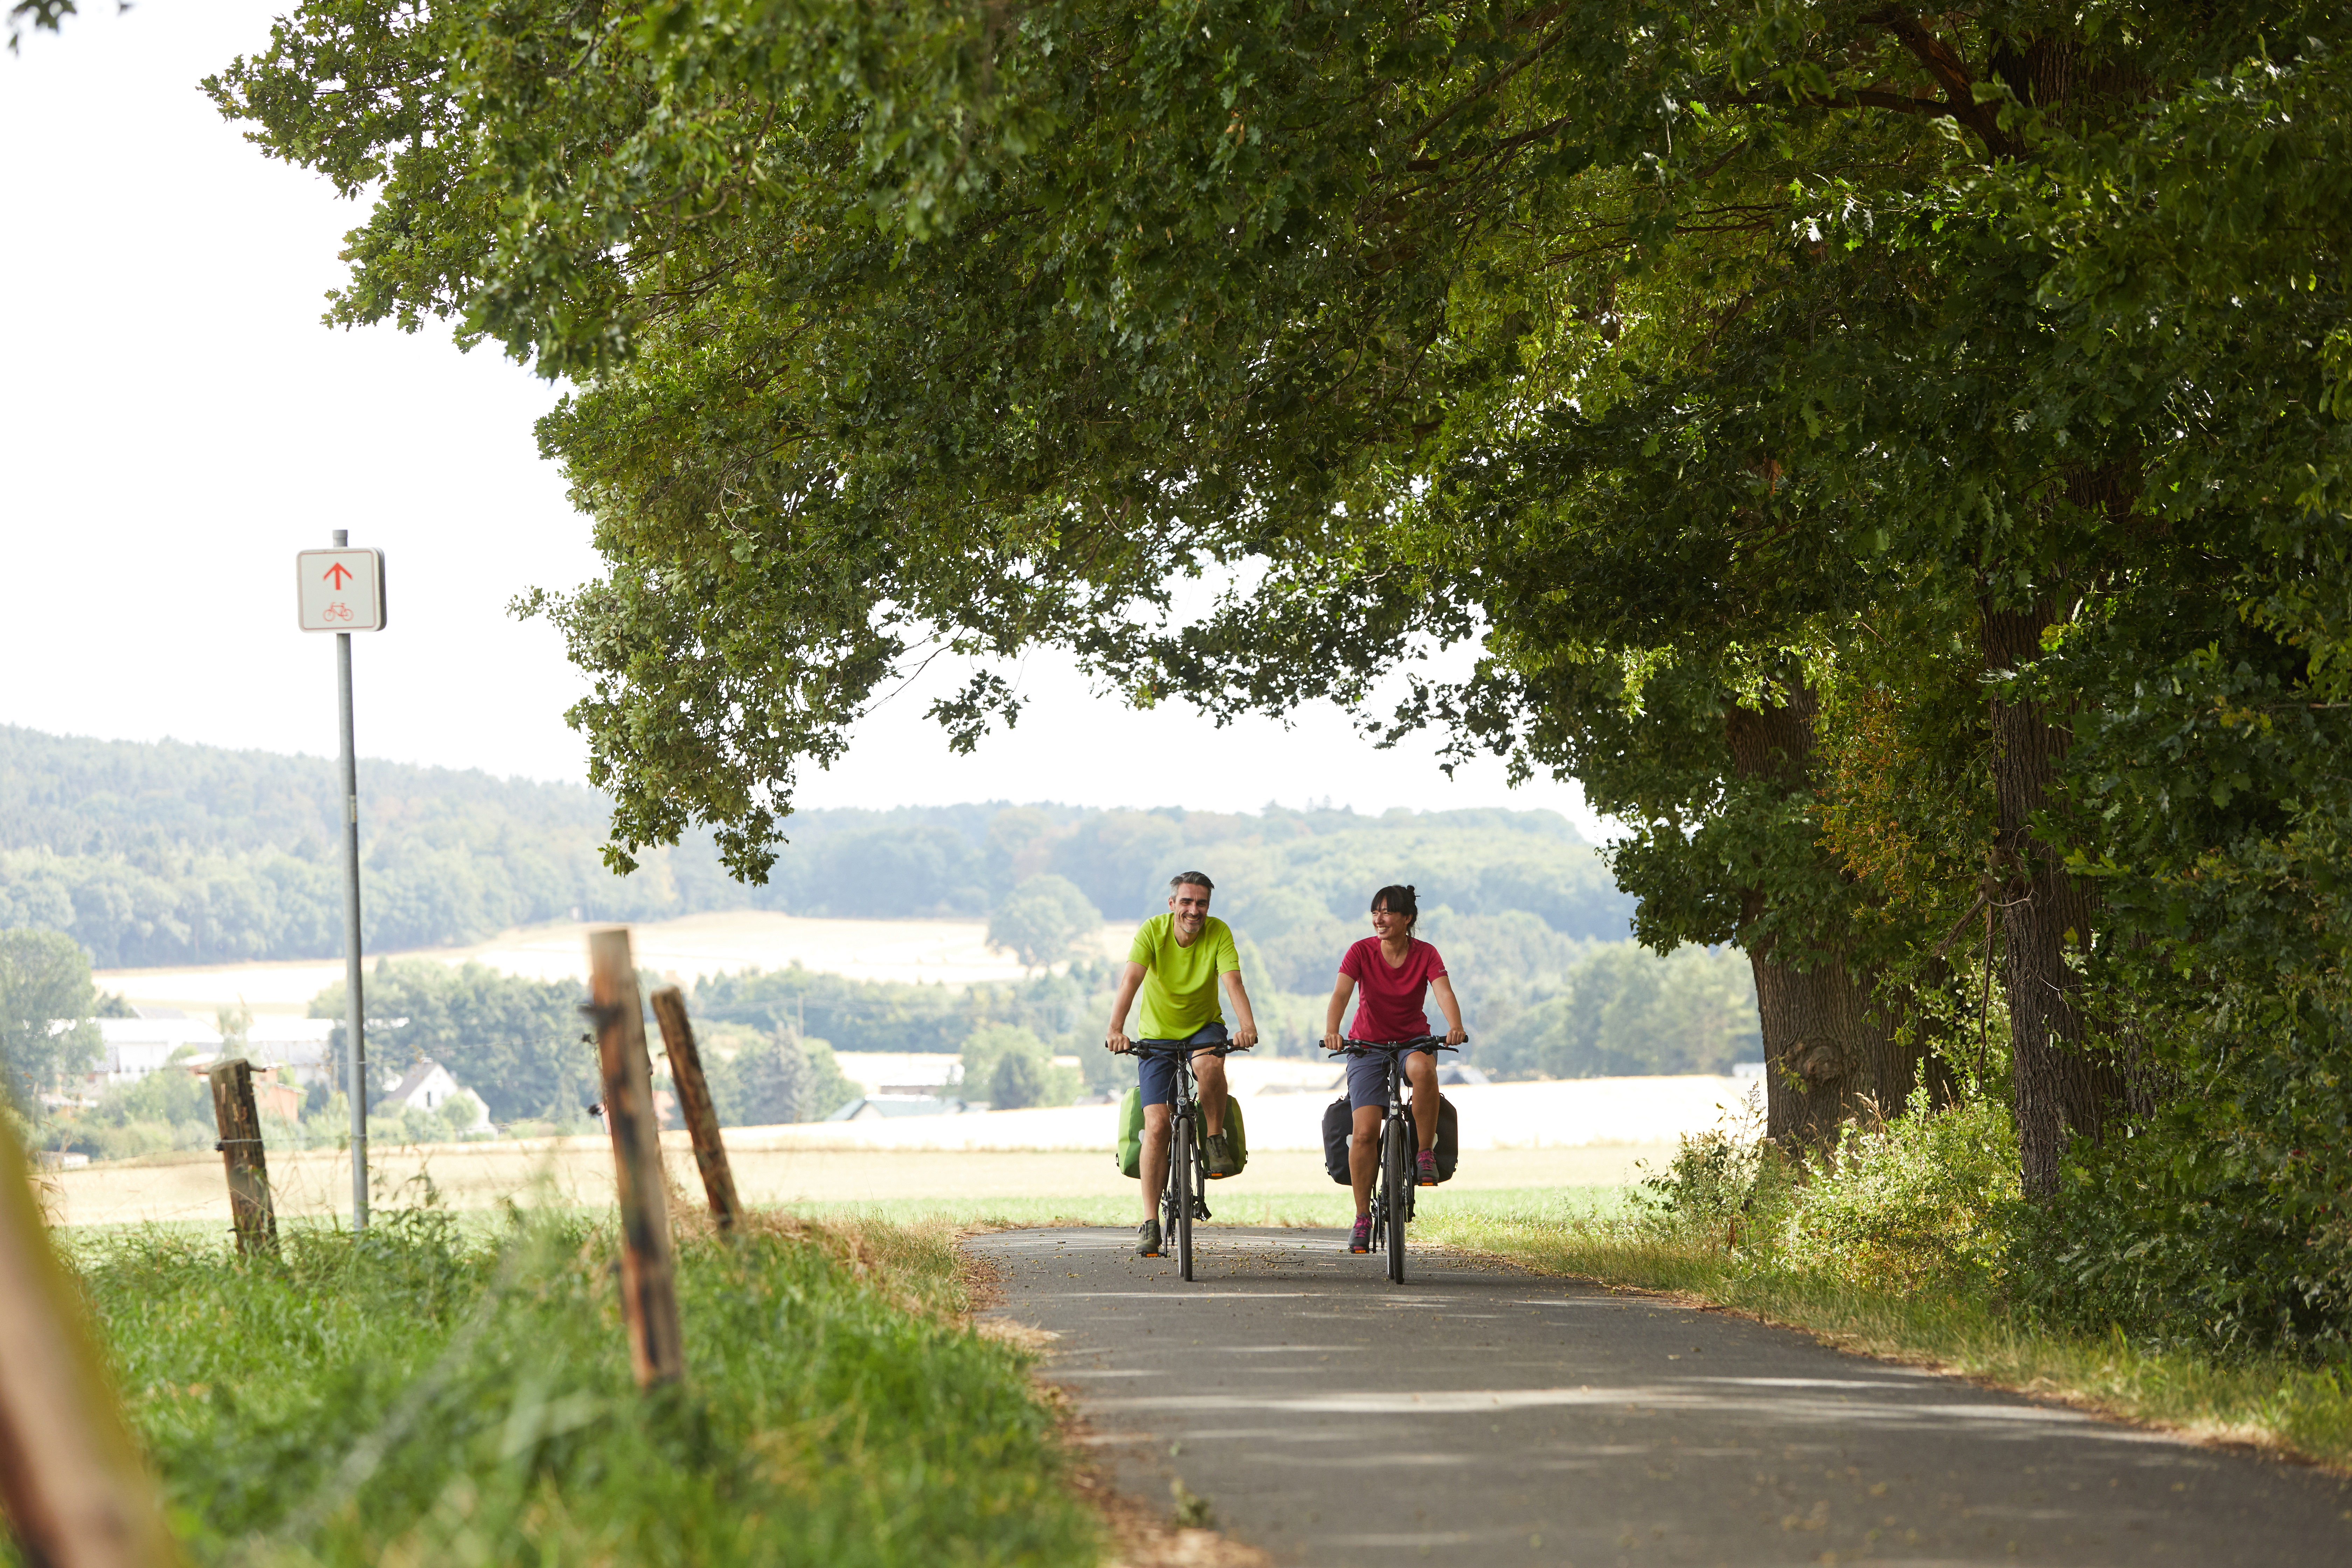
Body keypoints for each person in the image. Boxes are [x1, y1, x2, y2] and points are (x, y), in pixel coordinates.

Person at [1105, 871, 1260, 1257]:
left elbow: (1233, 982)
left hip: (1204, 1027)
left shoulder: (1218, 932)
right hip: (1157, 1034)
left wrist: (1247, 1026)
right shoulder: (1152, 932)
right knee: (1157, 1125)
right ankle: (1150, 1221)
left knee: (1209, 1067)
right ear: (1172, 903)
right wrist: (1115, 1028)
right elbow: (1131, 982)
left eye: (1202, 903)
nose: (1194, 910)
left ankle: (1213, 1137)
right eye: (1187, 902)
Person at [1321, 883, 1467, 1254]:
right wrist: (1333, 1032)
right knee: (1366, 1131)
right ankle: (1361, 1216)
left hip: (1412, 1041)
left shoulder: (1426, 953)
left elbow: (1443, 991)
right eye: (1375, 912)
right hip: (1366, 1045)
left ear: (1408, 918)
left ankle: (1424, 1153)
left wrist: (1455, 1026)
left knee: (1424, 1071)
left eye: (1387, 912)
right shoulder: (1360, 951)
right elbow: (1341, 993)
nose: (1379, 918)